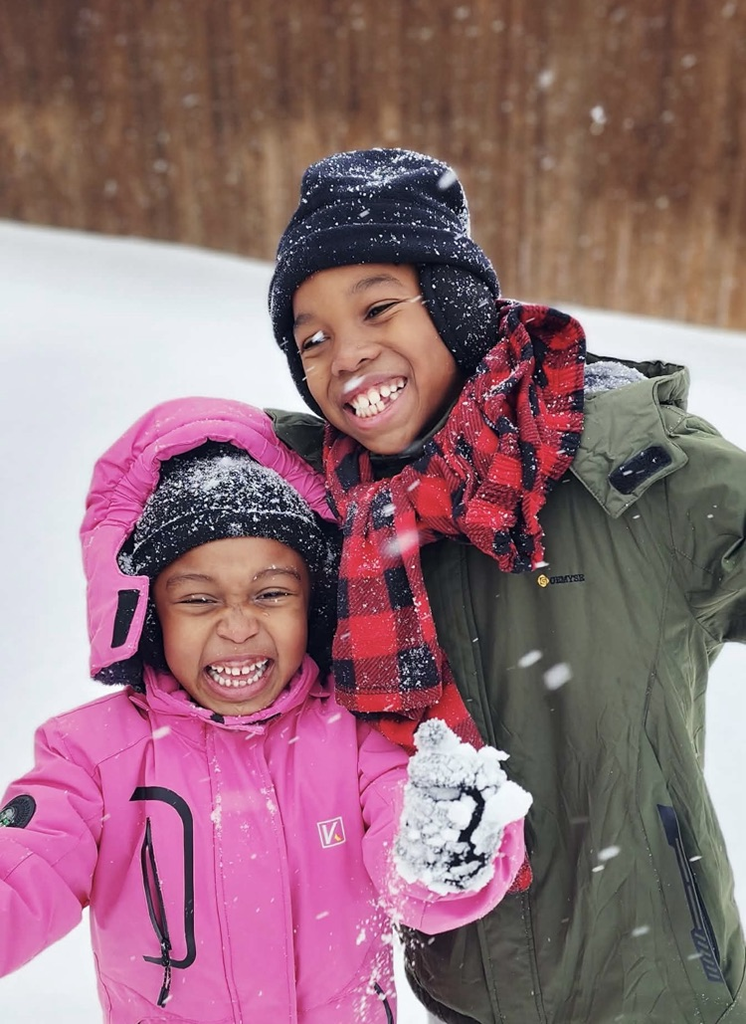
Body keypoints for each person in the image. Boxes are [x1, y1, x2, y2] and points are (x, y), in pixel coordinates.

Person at [265, 147, 746, 1023]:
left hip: (658, 987)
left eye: (377, 306)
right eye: (313, 338)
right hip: (461, 990)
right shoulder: (336, 513)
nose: (345, 356)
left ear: (452, 305)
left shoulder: (628, 465)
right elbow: (165, 478)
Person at [0, 396, 531, 1023]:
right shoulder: (93, 758)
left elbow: (414, 882)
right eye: (198, 599)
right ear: (149, 616)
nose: (237, 626)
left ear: (314, 603)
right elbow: (26, 870)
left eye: (271, 593)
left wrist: (445, 852)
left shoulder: (361, 734)